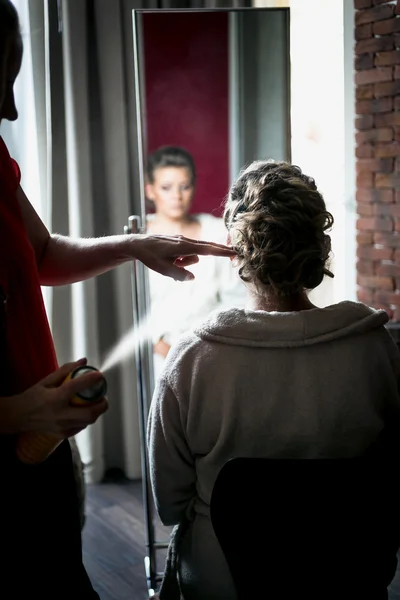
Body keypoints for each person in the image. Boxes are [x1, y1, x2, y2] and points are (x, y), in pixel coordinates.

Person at [0, 2, 235, 597]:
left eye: (13, 81)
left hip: (40, 449)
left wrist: (135, 244)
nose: (12, 109)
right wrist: (18, 412)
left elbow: (44, 253)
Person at [147, 160, 400, 599]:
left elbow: (169, 504)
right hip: (349, 574)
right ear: (319, 246)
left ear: (232, 246)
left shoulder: (191, 358)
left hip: (223, 580)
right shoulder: (374, 348)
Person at [145, 145, 246, 377]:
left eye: (184, 186)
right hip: (155, 360)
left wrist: (207, 349)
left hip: (211, 355)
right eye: (166, 187)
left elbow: (235, 299)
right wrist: (163, 348)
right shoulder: (137, 239)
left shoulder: (217, 233)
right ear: (150, 190)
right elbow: (131, 308)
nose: (177, 196)